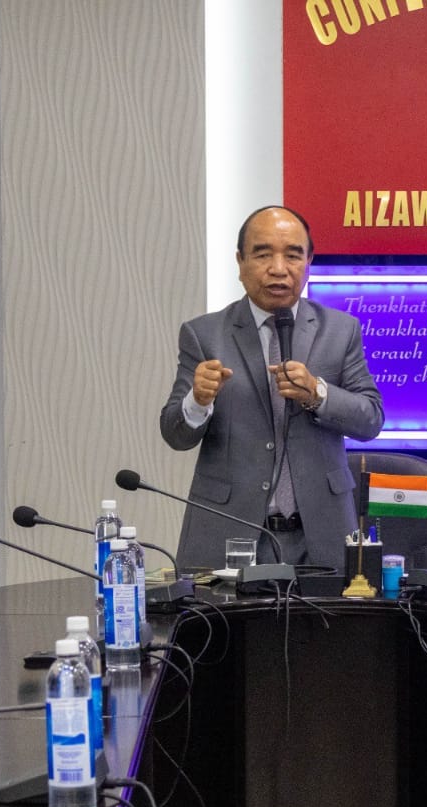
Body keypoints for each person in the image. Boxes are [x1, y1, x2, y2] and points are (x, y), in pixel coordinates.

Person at [160, 205, 384, 570]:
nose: (279, 269)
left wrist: (318, 394)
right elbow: (175, 434)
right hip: (230, 533)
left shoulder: (341, 330)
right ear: (240, 262)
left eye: (293, 255)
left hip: (323, 534)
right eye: (263, 254)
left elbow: (371, 419)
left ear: (309, 261)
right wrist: (197, 401)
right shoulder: (204, 334)